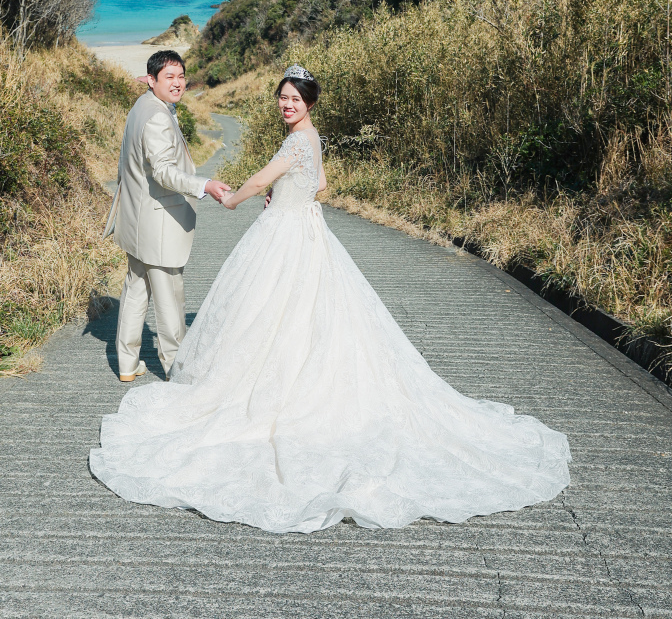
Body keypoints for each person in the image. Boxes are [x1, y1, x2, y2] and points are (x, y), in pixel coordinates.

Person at [91, 65, 571, 532]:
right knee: (299, 313)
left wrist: (235, 197)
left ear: (310, 104)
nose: (287, 104)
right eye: (282, 97)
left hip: (284, 236)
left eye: (295, 100)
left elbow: (261, 180)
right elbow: (318, 184)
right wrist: (289, 191)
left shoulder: (298, 141)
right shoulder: (312, 139)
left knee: (274, 310)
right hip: (305, 231)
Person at [103, 49, 230, 381]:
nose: (177, 83)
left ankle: (127, 364)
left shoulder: (141, 106)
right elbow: (163, 172)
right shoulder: (158, 116)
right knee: (170, 300)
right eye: (169, 77)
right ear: (151, 80)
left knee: (135, 291)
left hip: (136, 220)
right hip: (157, 223)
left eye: (181, 76)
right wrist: (204, 185)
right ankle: (178, 372)